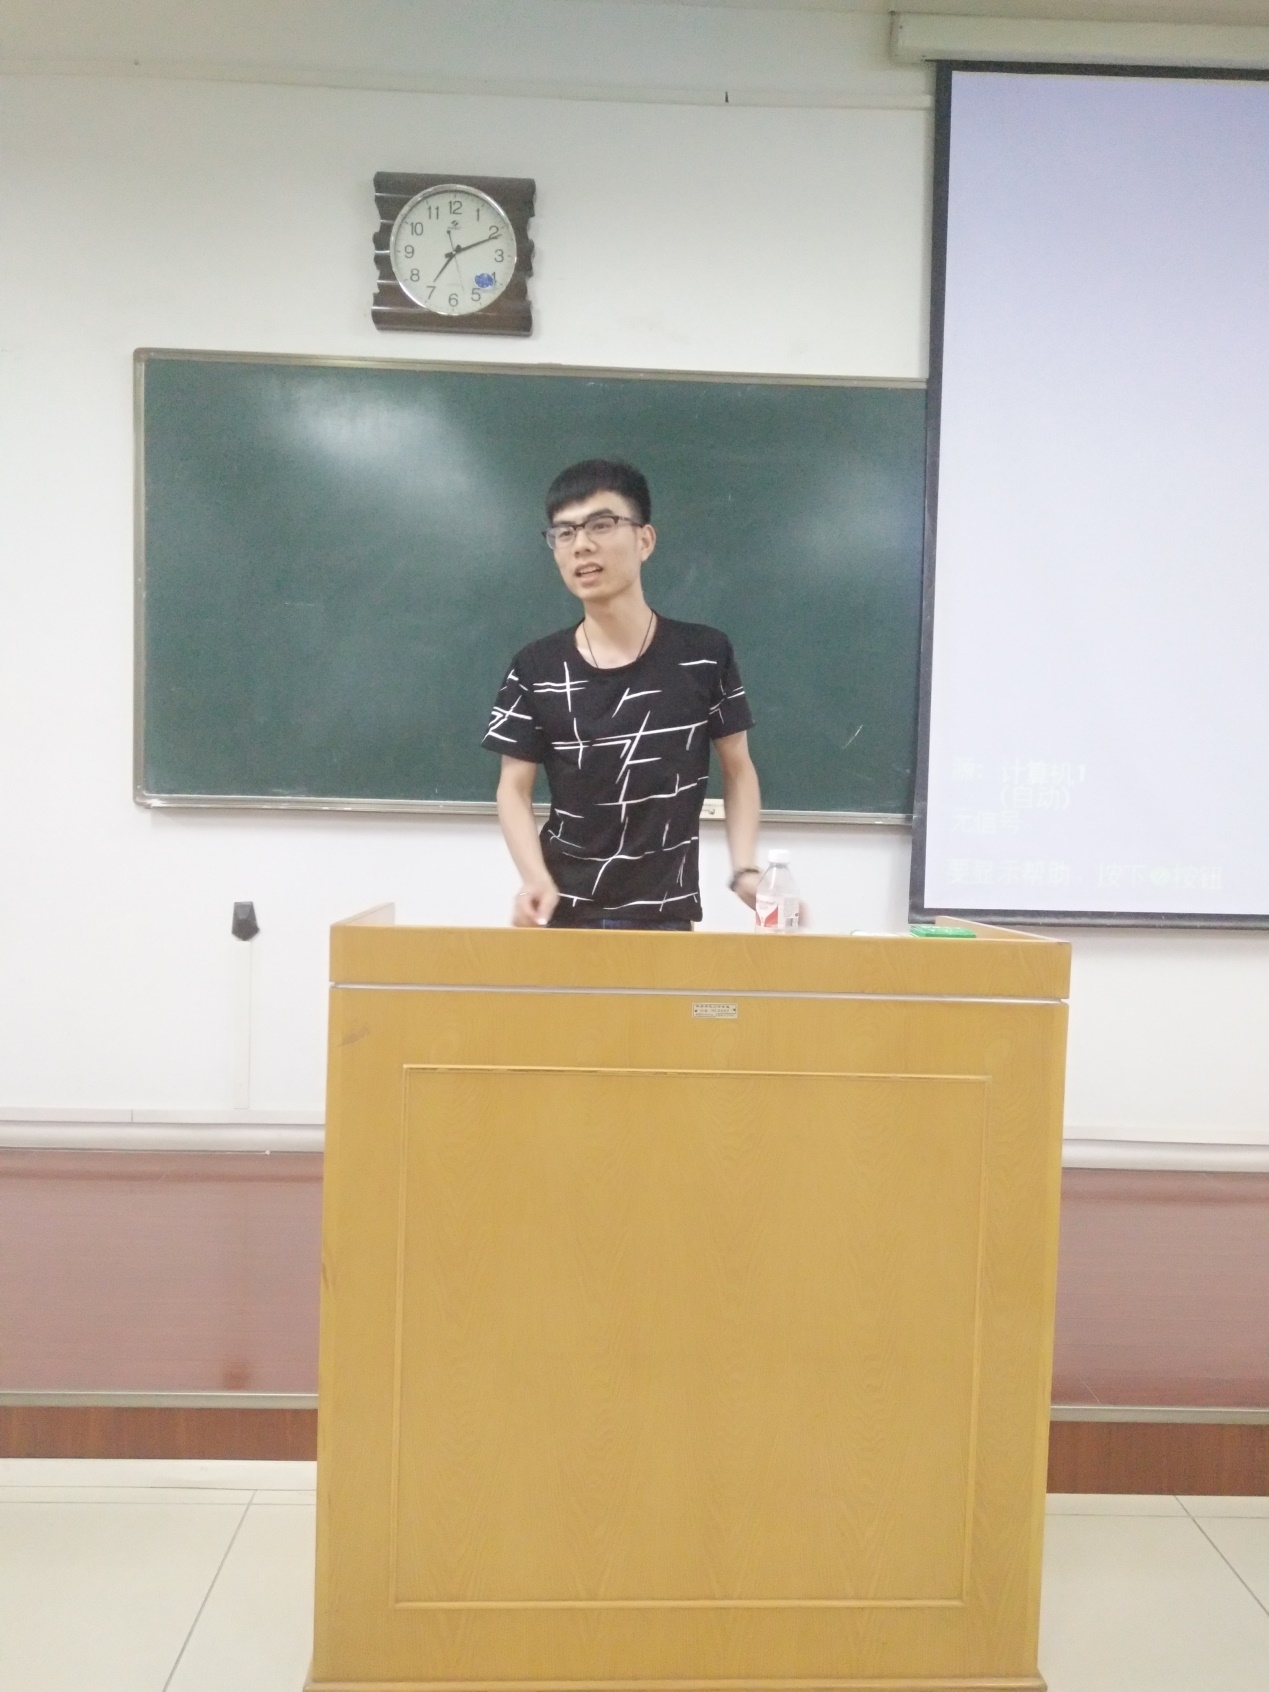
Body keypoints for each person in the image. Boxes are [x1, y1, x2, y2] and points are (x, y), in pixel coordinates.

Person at [483, 459, 764, 929]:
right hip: (563, 914)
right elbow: (513, 787)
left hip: (666, 915)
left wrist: (745, 870)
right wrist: (534, 879)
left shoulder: (704, 654)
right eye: (564, 532)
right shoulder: (536, 667)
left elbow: (738, 769)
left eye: (601, 524)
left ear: (645, 540)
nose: (581, 545)